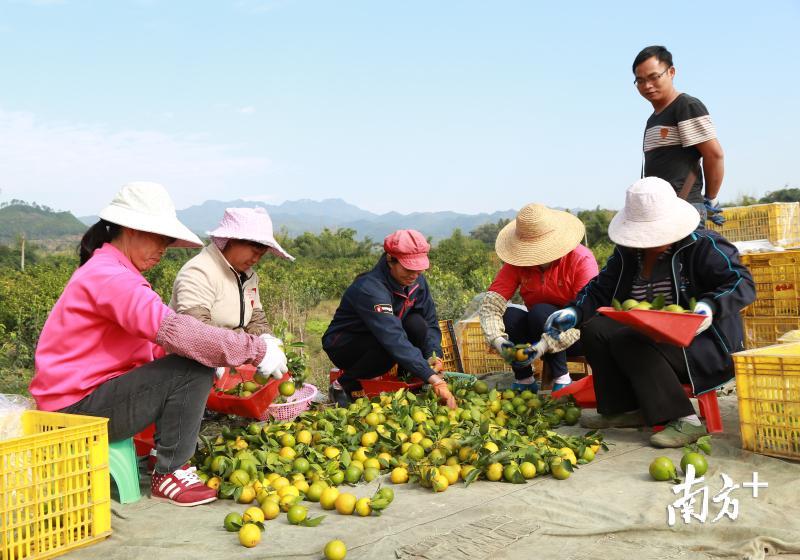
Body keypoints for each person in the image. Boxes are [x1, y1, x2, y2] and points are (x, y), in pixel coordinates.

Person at [30, 182, 288, 506]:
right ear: (130, 230)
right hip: (73, 412)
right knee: (193, 366)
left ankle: (162, 458)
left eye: (167, 241)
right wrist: (256, 349)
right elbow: (177, 331)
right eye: (159, 238)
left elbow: (150, 345)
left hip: (84, 400)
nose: (163, 249)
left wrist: (223, 350)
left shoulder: (113, 271)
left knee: (190, 361)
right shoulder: (111, 277)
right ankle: (170, 471)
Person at [544, 177, 754, 448]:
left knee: (627, 339)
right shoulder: (629, 254)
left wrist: (710, 306)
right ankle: (625, 408)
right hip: (647, 342)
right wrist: (573, 311)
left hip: (702, 346)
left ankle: (686, 419)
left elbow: (742, 282)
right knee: (596, 328)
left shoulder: (702, 245)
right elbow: (599, 289)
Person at [322, 229, 455, 409]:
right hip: (346, 344)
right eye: (408, 269)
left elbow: (430, 322)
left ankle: (407, 381)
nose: (414, 275)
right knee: (389, 346)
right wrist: (434, 379)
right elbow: (392, 337)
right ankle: (343, 384)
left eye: (419, 270)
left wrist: (434, 356)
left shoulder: (416, 282)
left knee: (417, 324)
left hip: (381, 338)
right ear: (390, 260)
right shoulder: (370, 287)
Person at [478, 204, 598, 393]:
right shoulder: (518, 264)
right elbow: (492, 304)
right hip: (536, 333)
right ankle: (524, 379)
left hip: (577, 335)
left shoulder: (581, 260)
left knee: (541, 312)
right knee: (509, 315)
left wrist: (545, 345)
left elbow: (588, 312)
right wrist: (498, 341)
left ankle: (562, 377)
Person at [633, 45, 725, 225]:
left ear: (671, 72)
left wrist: (710, 199)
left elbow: (714, 154)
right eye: (640, 81)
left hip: (684, 209)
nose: (647, 85)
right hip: (659, 210)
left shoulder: (685, 106)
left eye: (654, 77)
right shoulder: (654, 118)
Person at [170, 207, 294, 338]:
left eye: (261, 255)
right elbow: (196, 330)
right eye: (254, 252)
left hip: (234, 352)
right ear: (232, 241)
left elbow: (256, 320)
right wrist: (249, 346)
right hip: (190, 357)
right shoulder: (199, 272)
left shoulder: (249, 277)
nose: (256, 259)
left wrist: (268, 340)